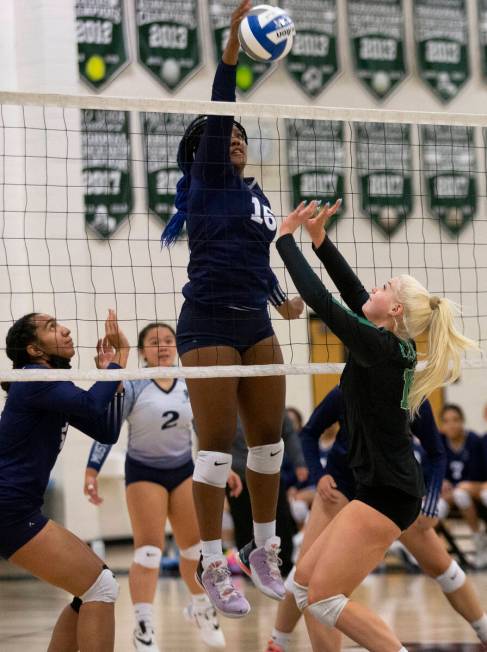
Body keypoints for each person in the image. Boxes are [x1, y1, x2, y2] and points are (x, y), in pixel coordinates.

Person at [275, 198, 476, 649]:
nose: (373, 291)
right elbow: (352, 295)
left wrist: (285, 240)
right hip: (383, 486)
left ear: (397, 311)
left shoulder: (380, 348)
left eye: (383, 287)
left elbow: (323, 302)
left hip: (388, 492)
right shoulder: (389, 344)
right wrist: (320, 242)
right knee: (306, 585)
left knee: (325, 599)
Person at [160, 0, 303, 618]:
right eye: (230, 137)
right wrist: (230, 51)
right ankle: (212, 563)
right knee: (217, 447)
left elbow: (259, 257)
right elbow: (224, 106)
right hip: (209, 320)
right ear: (210, 151)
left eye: (243, 138)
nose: (238, 141)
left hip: (254, 318)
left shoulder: (253, 195)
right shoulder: (211, 180)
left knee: (268, 443)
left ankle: (264, 551)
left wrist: (282, 299)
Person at [265, 387, 487, 651]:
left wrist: (430, 505)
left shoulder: (411, 395)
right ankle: (278, 642)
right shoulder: (346, 391)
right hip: (343, 486)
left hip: (392, 493)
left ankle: (483, 629)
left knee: (442, 566)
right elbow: (309, 433)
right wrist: (319, 476)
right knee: (310, 581)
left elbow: (437, 453)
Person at [84, 322, 242, 651]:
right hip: (144, 472)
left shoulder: (189, 382)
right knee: (149, 551)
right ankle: (143, 627)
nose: (164, 346)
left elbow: (205, 429)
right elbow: (108, 428)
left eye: (169, 340)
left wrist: (222, 466)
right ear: (142, 352)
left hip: (184, 470)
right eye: (155, 342)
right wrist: (91, 469)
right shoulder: (135, 385)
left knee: (191, 550)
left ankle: (201, 609)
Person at [0, 310, 128, 652]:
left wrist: (118, 368)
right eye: (52, 328)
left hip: (15, 509)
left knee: (91, 589)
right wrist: (115, 367)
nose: (67, 330)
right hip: (10, 510)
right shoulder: (34, 380)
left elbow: (107, 429)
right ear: (34, 350)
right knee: (100, 587)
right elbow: (90, 404)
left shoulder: (50, 384)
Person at [227, 413, 307, 577]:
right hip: (238, 477)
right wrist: (224, 469)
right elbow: (206, 433)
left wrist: (299, 461)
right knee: (243, 523)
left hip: (269, 473)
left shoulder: (265, 397)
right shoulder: (225, 405)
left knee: (281, 520)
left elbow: (289, 432)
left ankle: (283, 567)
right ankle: (249, 569)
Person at [436, 403, 487, 566]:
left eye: (455, 420)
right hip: (450, 495)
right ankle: (429, 555)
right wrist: (441, 481)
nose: (451, 425)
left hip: (472, 492)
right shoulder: (439, 443)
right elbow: (433, 472)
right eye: (446, 421)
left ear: (463, 421)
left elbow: (480, 477)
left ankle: (480, 544)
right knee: (433, 510)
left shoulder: (475, 441)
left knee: (462, 494)